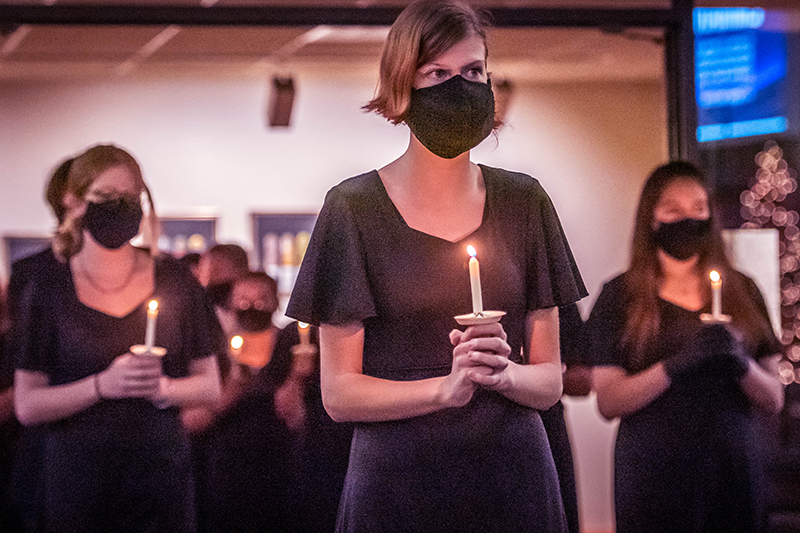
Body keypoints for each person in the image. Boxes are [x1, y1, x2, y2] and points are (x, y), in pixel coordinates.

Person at [286, 2, 586, 531]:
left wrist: (503, 374)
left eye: (473, 72)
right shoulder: (353, 208)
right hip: (398, 478)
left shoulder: (525, 201)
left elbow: (548, 382)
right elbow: (339, 395)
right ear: (404, 85)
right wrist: (443, 389)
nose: (460, 87)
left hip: (510, 473)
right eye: (438, 74)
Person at [12, 144, 222, 532]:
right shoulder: (47, 286)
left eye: (130, 198)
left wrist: (162, 388)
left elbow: (210, 385)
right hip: (76, 478)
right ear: (75, 203)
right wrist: (101, 385)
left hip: (157, 474)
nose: (120, 208)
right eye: (106, 198)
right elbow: (27, 405)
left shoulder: (174, 279)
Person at [585, 161, 784, 533]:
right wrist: (676, 365)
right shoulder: (620, 297)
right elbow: (609, 401)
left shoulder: (743, 291)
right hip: (654, 476)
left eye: (698, 208)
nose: (688, 219)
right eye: (673, 210)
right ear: (652, 219)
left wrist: (740, 362)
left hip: (733, 469)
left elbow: (774, 398)